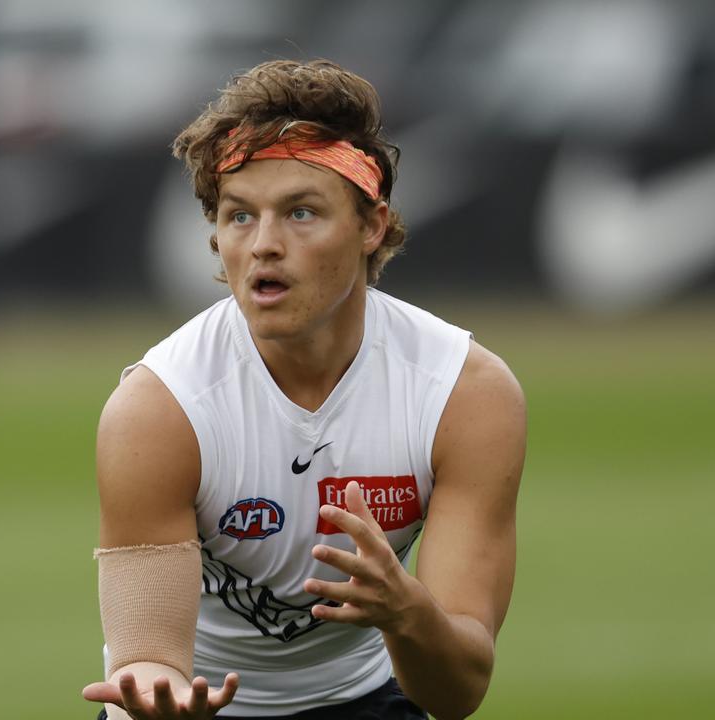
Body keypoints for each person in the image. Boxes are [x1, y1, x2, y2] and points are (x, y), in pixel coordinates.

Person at [82, 59, 526, 720]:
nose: (264, 245)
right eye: (239, 217)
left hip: (365, 699)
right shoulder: (157, 410)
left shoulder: (464, 393)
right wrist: (157, 696)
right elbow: (146, 658)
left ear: (370, 225)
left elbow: (458, 691)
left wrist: (406, 613)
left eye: (300, 212)